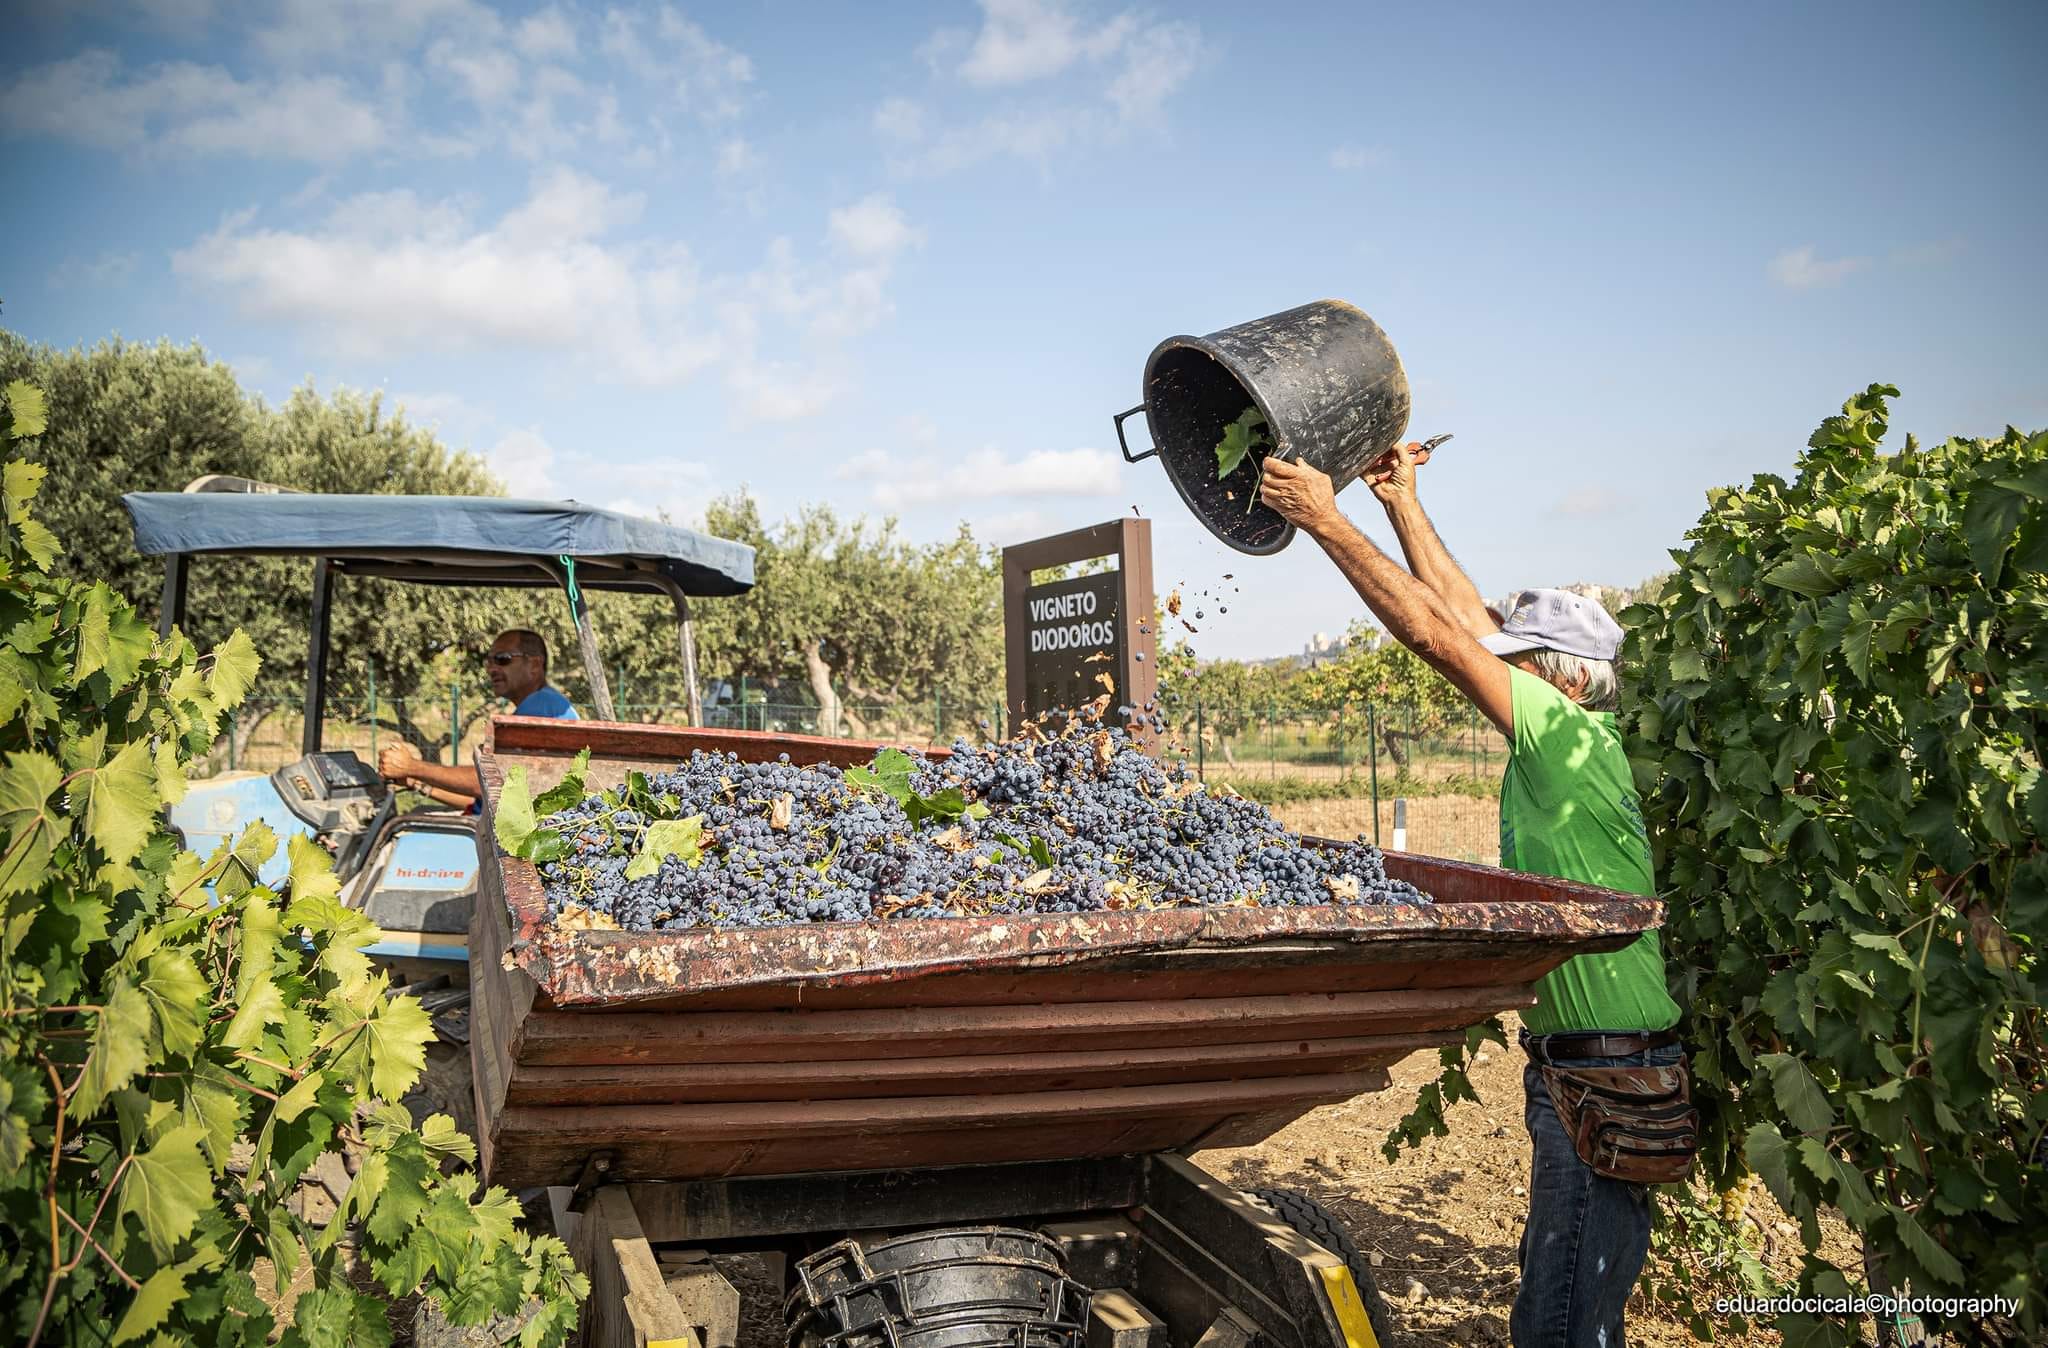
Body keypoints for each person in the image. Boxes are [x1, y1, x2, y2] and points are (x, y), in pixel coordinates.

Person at [1261, 442, 1684, 1348]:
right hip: (1587, 1067)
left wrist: (1325, 519)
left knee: (1563, 1322)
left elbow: (1441, 637)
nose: (1501, 672)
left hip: (1605, 1073)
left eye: (1517, 660)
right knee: (1565, 1297)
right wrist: (1401, 502)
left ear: (1562, 677)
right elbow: (1466, 617)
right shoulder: (1575, 734)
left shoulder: (1561, 728)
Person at [378, 629, 579, 808]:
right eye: (489, 661)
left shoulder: (540, 706)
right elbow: (479, 801)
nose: (491, 669)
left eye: (502, 659)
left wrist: (412, 766)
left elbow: (487, 782)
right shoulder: (542, 704)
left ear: (534, 665)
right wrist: (416, 782)